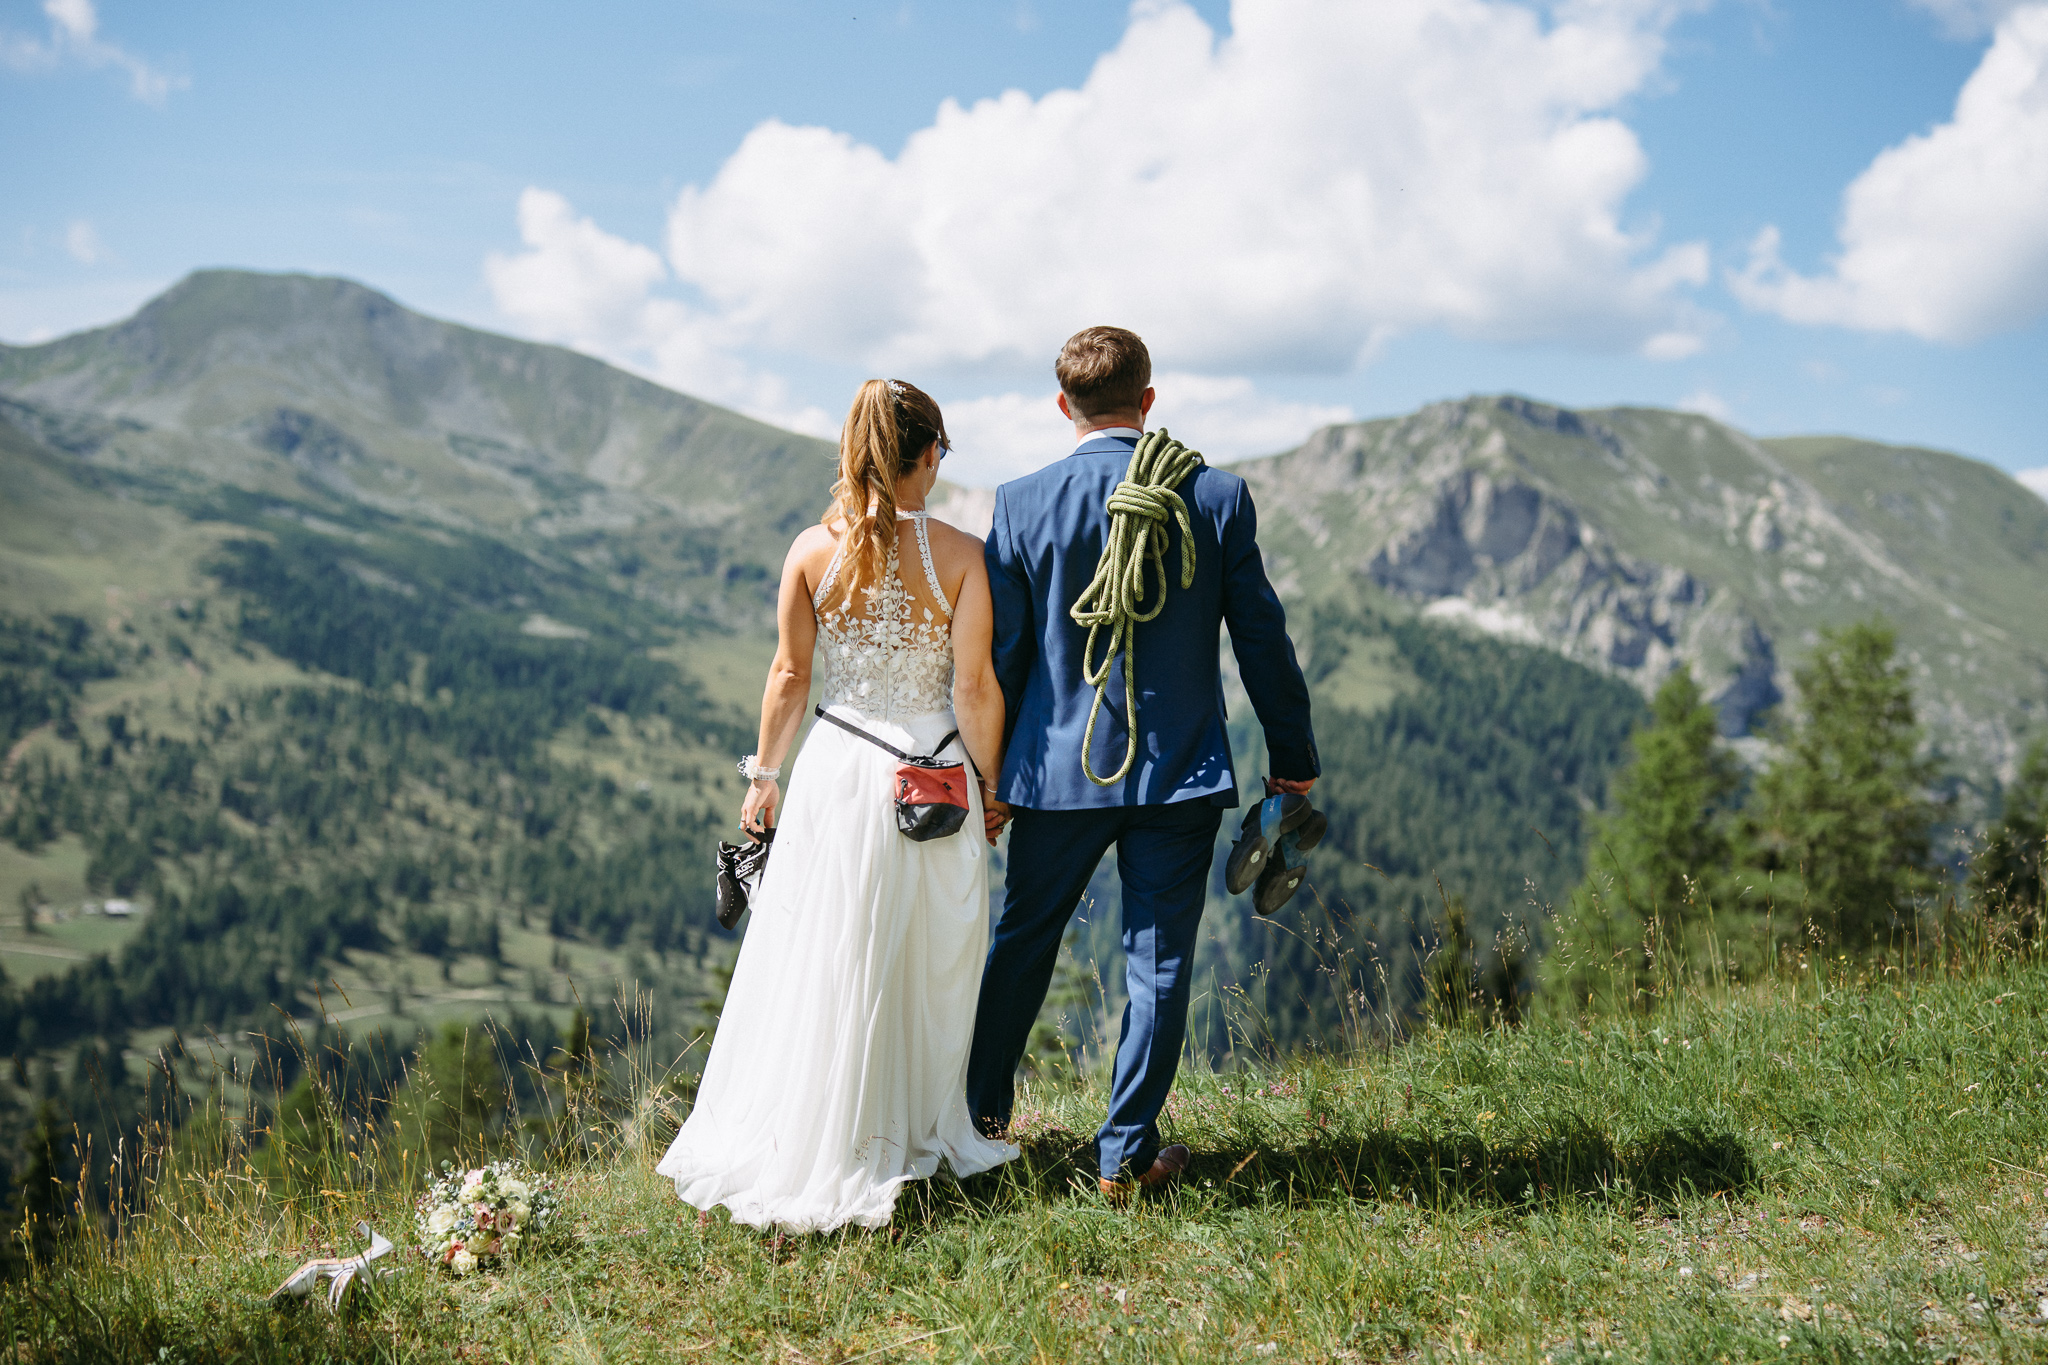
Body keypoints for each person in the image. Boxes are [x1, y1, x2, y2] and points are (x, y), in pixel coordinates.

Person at [657, 378, 1018, 1232]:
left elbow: (789, 676)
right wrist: (995, 788)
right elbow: (972, 687)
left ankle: (823, 1130)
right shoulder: (964, 555)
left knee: (827, 949)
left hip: (837, 771)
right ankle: (906, 1129)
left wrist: (764, 774)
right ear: (927, 453)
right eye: (940, 452)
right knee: (927, 950)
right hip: (931, 778)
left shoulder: (810, 551)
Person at [966, 326, 1319, 1199]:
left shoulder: (1021, 503)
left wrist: (992, 777)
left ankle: (978, 1124)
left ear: (1063, 406)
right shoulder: (1215, 495)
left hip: (1053, 773)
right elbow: (1262, 641)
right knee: (1158, 960)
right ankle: (1124, 1153)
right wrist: (1293, 760)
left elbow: (1004, 659)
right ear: (1149, 400)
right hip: (1179, 773)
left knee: (1022, 943)